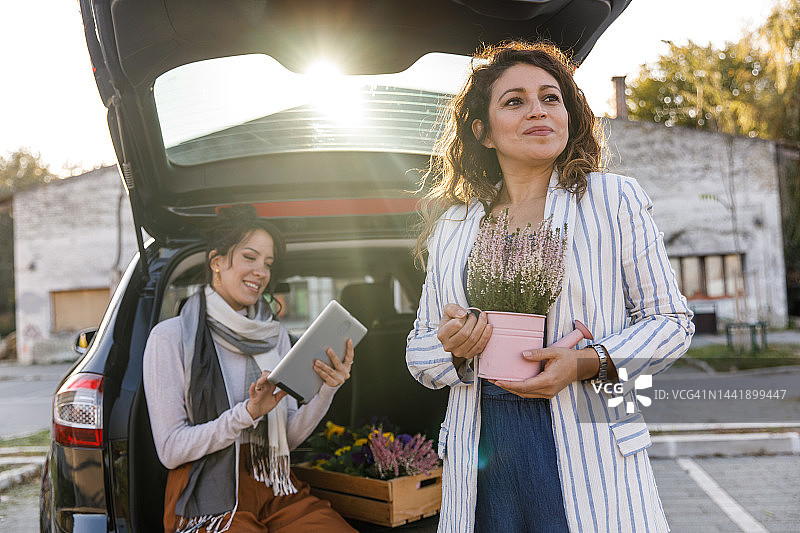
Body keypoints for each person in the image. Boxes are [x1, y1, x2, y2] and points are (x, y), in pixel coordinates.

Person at [406, 41, 694, 532]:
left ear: (569, 115)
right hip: (483, 442)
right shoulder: (452, 226)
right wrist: (454, 350)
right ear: (483, 131)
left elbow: (672, 323)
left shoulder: (614, 200)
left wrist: (586, 361)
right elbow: (419, 352)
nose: (537, 110)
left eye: (550, 98)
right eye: (514, 101)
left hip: (589, 435)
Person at [144, 205, 357, 533]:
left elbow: (288, 437)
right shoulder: (170, 338)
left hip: (274, 482)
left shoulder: (276, 334)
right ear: (216, 262)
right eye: (249, 257)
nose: (261, 271)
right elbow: (171, 450)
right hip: (206, 495)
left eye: (268, 263)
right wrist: (247, 413)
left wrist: (328, 388)